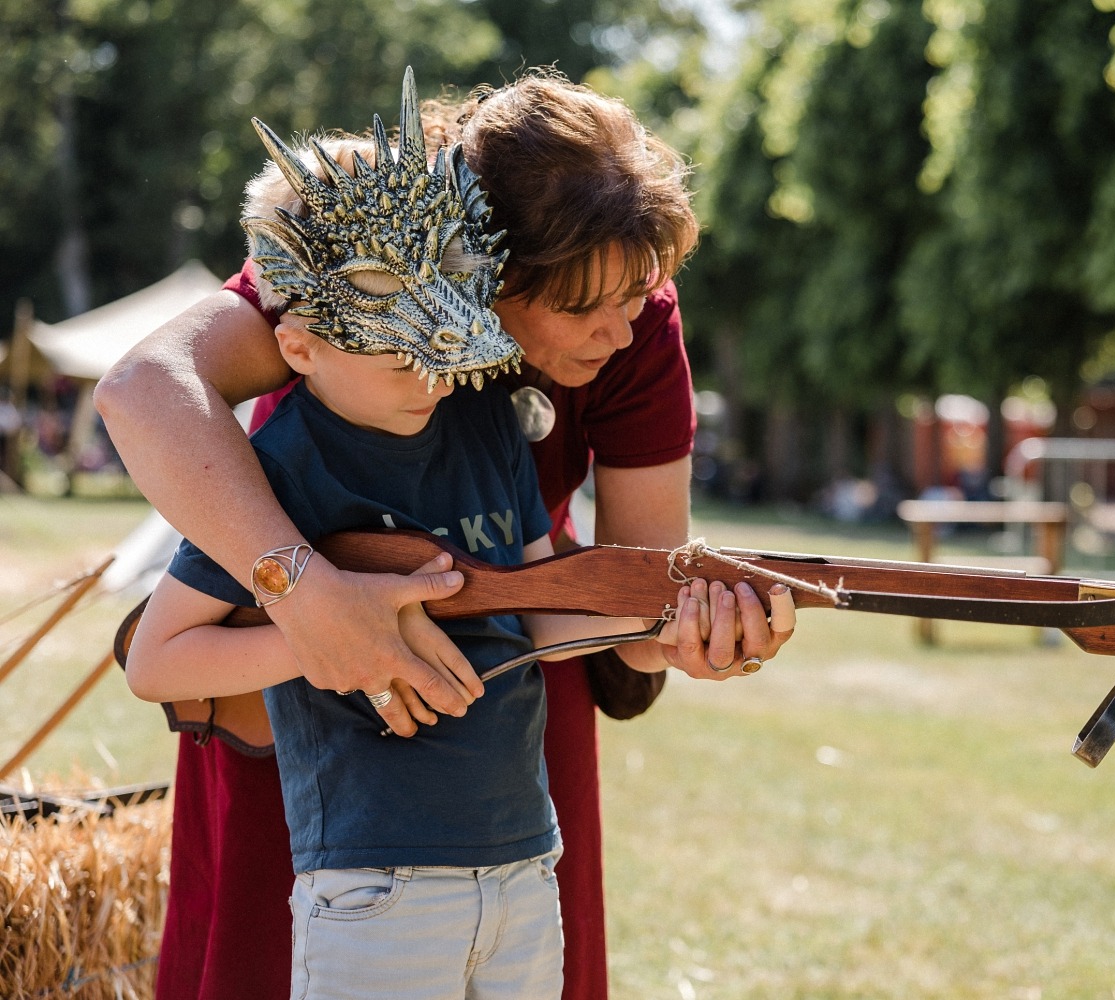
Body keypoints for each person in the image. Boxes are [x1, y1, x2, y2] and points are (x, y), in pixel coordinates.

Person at [97, 68, 796, 1000]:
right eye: (582, 305)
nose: (623, 329)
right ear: (484, 274)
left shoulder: (630, 308)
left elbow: (629, 589)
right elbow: (145, 389)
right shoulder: (366, 265)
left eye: (640, 291)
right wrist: (312, 608)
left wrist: (683, 637)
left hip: (504, 714)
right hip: (301, 721)